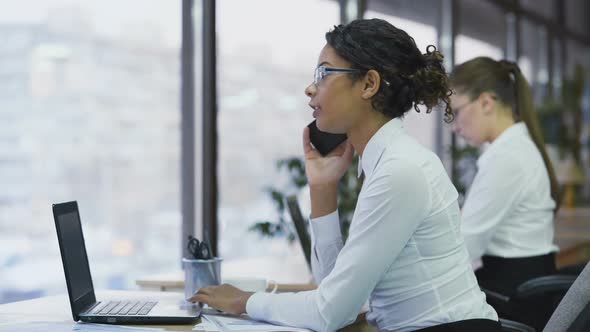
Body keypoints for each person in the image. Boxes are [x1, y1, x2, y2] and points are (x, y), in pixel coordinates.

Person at [188, 19, 499, 331]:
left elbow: (331, 312)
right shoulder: (390, 162)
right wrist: (322, 188)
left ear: (368, 84)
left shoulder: (400, 171)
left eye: (323, 74)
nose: (310, 88)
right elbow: (336, 293)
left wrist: (243, 301)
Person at [449, 57, 560, 296]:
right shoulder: (512, 148)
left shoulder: (507, 158)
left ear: (486, 103)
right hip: (521, 282)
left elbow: (464, 246)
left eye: (456, 112)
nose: (454, 127)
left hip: (515, 294)